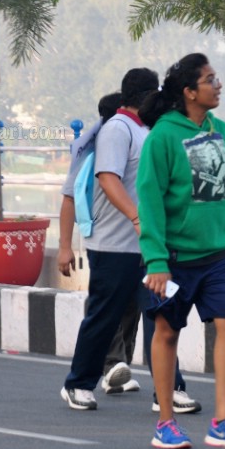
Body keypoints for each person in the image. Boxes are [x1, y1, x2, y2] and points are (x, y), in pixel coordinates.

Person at [137, 52, 225, 449]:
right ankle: (165, 422)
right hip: (173, 258)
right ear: (190, 92)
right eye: (210, 80)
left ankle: (223, 421)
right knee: (167, 332)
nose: (218, 84)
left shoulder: (223, 132)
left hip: (219, 255)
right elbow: (150, 199)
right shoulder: (162, 135)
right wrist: (156, 261)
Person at [59, 69, 205, 412]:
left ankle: (169, 390)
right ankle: (78, 383)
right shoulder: (117, 129)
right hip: (114, 245)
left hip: (150, 247)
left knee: (162, 316)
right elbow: (108, 178)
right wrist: (137, 217)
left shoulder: (147, 130)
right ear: (145, 95)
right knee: (104, 316)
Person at [58, 92, 141, 395]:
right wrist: (65, 247)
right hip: (106, 243)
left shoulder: (134, 146)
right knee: (108, 306)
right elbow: (69, 200)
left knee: (133, 307)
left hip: (138, 245)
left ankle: (118, 366)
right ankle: (109, 363)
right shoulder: (90, 155)